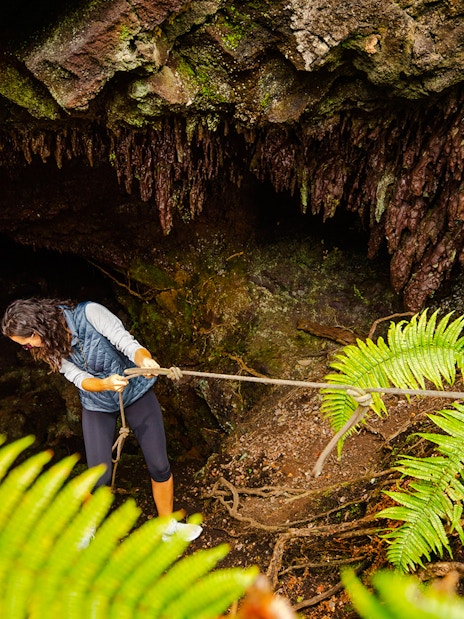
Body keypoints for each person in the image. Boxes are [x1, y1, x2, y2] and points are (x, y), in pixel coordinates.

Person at [1, 298, 202, 542]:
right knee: (98, 476)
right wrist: (104, 384)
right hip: (97, 403)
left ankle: (167, 526)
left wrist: (144, 361)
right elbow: (77, 376)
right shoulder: (49, 348)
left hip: (136, 392)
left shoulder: (91, 313)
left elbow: (126, 342)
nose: (30, 348)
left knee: (159, 465)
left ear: (38, 328)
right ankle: (87, 530)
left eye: (27, 343)